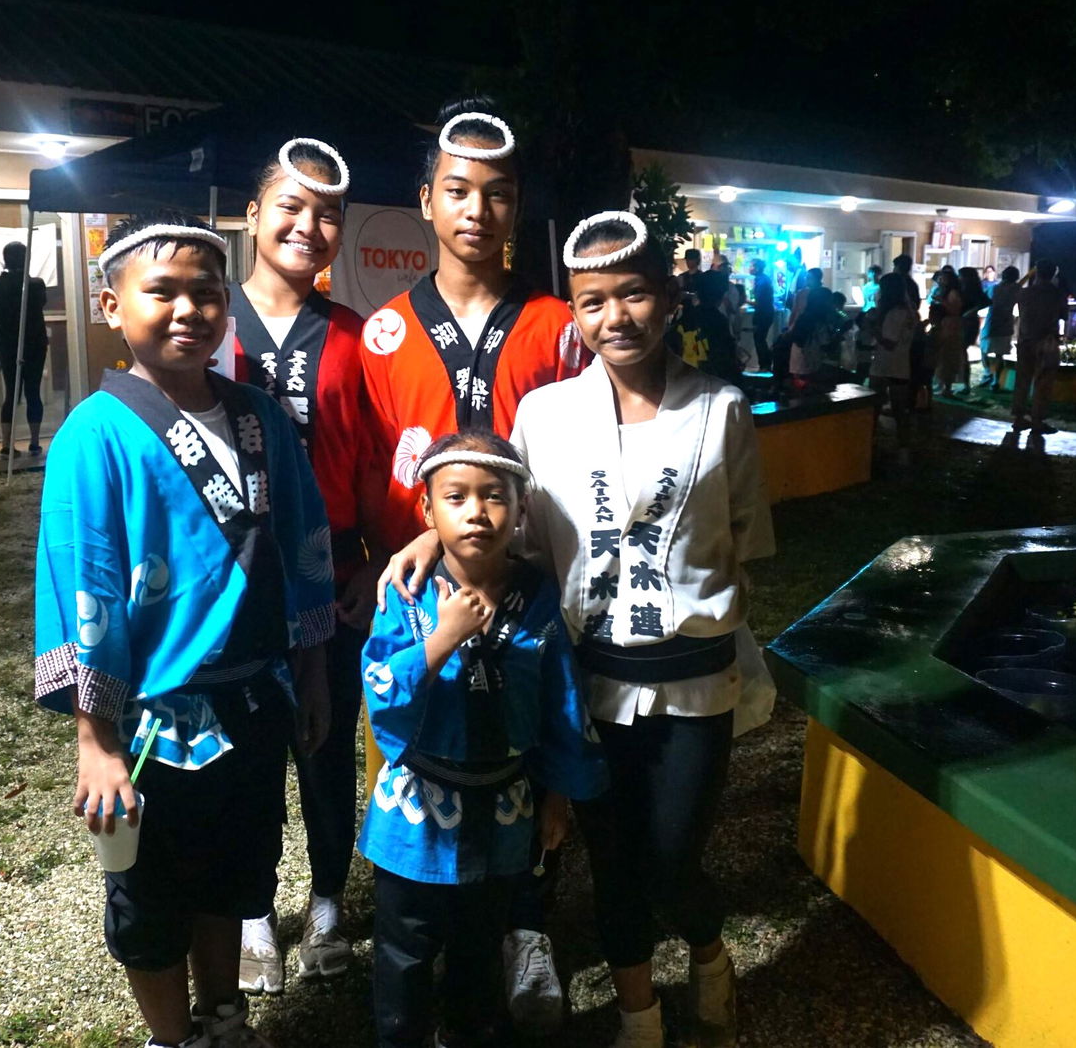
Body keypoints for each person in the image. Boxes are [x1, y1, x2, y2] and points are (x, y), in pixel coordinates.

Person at [383, 210, 778, 1047]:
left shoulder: (724, 410)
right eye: (591, 301)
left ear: (669, 299)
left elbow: (747, 540)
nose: (614, 317)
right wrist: (432, 530)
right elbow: (512, 534)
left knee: (673, 860)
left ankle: (707, 951)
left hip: (695, 679)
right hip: (586, 679)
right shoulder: (546, 414)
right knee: (610, 860)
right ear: (574, 313)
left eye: (633, 295)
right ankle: (638, 1013)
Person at [34, 212, 335, 1048]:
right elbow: (82, 582)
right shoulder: (94, 436)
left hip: (251, 696)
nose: (187, 310)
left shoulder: (260, 417)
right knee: (150, 895)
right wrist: (95, 741)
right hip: (152, 720)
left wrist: (310, 676)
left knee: (231, 877)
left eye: (205, 292)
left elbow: (305, 540)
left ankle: (224, 1017)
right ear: (109, 303)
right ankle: (171, 1037)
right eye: (159, 290)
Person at [357, 95, 586, 1031]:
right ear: (425, 201)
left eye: (497, 195)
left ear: (517, 207)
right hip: (425, 600)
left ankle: (526, 936)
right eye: (457, 191)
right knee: (425, 748)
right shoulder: (381, 334)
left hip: (534, 587)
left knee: (531, 752)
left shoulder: (559, 323)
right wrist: (424, 537)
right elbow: (384, 471)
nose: (476, 212)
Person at [360, 429, 607, 1048]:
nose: (476, 512)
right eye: (455, 497)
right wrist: (441, 640)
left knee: (479, 950)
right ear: (427, 510)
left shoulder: (536, 596)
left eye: (495, 496)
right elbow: (380, 691)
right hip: (416, 819)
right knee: (404, 957)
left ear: (521, 508)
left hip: (504, 811)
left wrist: (557, 796)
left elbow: (562, 701)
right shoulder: (405, 592)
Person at [223, 138, 378, 995]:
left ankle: (325, 903)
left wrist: (376, 559)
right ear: (252, 214)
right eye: (289, 206)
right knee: (249, 754)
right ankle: (253, 914)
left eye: (326, 215)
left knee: (325, 747)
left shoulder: (355, 338)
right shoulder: (209, 326)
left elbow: (372, 460)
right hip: (235, 585)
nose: (307, 227)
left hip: (332, 583)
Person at [0, 241, 48, 456]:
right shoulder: (36, 284)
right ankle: (34, 442)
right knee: (33, 391)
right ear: (25, 259)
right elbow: (41, 303)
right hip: (35, 344)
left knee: (11, 394)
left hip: (7, 345)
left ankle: (6, 445)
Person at [1012, 259, 1068, 435]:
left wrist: (1029, 274)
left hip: (1025, 340)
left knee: (1022, 380)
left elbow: (1013, 292)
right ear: (1053, 274)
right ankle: (1037, 420)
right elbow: (1064, 315)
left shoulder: (1024, 293)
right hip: (1046, 342)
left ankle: (1019, 418)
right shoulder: (1056, 294)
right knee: (1043, 382)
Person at [871, 272, 918, 437]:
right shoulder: (909, 311)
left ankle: (872, 443)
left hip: (884, 364)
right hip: (901, 365)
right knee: (900, 411)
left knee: (874, 407)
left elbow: (889, 343)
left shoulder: (895, 313)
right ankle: (903, 449)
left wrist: (874, 330)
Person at [979, 266, 1020, 392]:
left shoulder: (995, 288)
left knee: (984, 348)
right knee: (1000, 354)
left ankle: (988, 373)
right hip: (1006, 323)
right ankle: (995, 380)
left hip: (992, 322)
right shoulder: (1017, 290)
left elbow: (984, 299)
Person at [929, 268, 964, 396]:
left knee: (948, 356)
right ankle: (940, 384)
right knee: (941, 357)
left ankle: (947, 387)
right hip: (942, 324)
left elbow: (955, 310)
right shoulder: (941, 291)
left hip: (950, 325)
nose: (940, 280)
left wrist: (941, 301)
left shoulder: (953, 293)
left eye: (943, 278)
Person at [957, 266, 989, 395]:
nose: (959, 278)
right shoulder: (972, 288)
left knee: (962, 352)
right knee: (962, 353)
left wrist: (970, 311)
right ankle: (964, 383)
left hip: (967, 322)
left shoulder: (970, 290)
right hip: (968, 321)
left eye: (961, 276)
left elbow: (986, 302)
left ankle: (965, 384)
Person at [749, 258, 777, 371]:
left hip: (763, 314)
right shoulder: (761, 279)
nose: (749, 268)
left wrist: (745, 300)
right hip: (765, 313)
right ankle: (765, 364)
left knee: (759, 339)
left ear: (757, 268)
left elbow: (759, 302)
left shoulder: (762, 281)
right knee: (760, 339)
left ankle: (765, 365)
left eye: (751, 266)